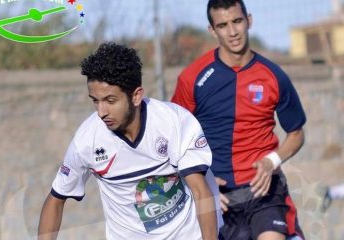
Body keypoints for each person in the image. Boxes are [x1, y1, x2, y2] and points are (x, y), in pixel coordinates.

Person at [38, 42, 221, 240]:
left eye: (110, 101)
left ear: (136, 96)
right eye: (95, 100)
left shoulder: (173, 122)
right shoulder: (87, 140)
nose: (101, 112)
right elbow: (56, 200)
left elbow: (201, 191)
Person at [171, 0, 306, 239]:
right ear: (212, 30)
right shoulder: (192, 78)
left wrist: (271, 161)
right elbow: (172, 139)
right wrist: (203, 184)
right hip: (217, 197)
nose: (232, 32)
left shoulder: (274, 76)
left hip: (264, 191)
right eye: (223, 25)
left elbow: (296, 133)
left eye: (237, 21)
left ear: (249, 20)